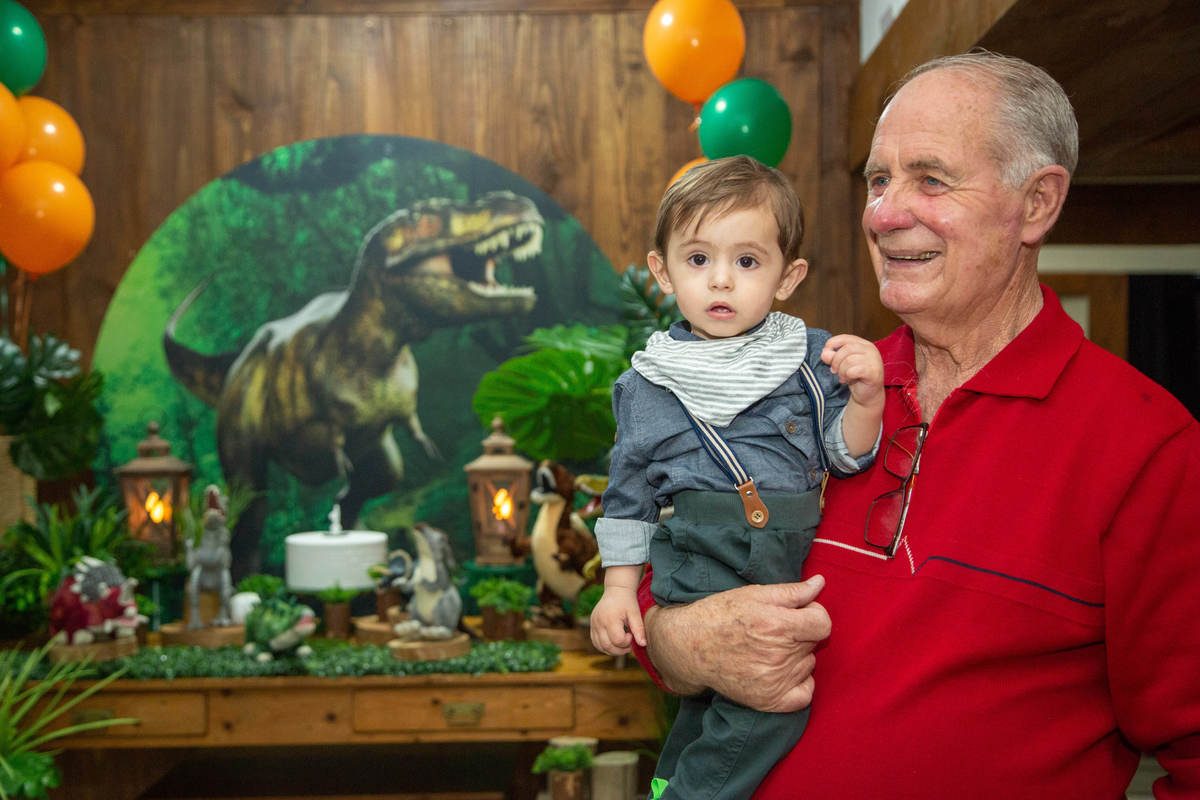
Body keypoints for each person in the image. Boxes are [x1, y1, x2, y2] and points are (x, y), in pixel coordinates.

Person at [631, 51, 1200, 798]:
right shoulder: (801, 385)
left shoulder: (1147, 448)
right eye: (877, 179)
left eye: (930, 178)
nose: (884, 212)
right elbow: (667, 571)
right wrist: (679, 641)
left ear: (1037, 204)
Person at [590, 154, 884, 800]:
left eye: (747, 262)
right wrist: (617, 590)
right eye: (699, 260)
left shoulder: (809, 359)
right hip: (701, 551)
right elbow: (628, 496)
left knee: (710, 703)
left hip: (785, 549)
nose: (721, 281)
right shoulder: (648, 382)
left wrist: (865, 403)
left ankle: (669, 781)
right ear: (662, 272)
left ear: (788, 276)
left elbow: (844, 455)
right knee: (770, 701)